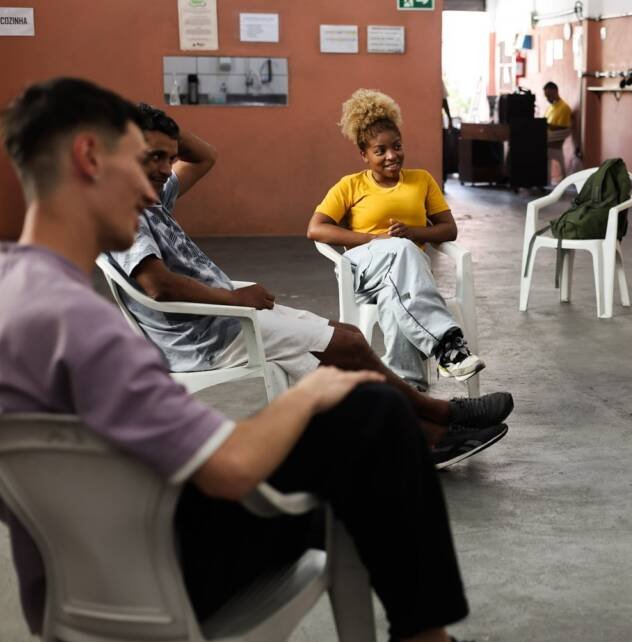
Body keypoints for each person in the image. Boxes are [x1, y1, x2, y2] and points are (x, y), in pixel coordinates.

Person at [0, 77, 505, 642]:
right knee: (374, 418)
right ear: (89, 159)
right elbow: (231, 468)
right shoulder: (85, 328)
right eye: (137, 165)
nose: (147, 190)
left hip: (74, 579)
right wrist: (315, 395)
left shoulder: (16, 294)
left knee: (370, 420)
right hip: (160, 575)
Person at [109, 103, 509, 469]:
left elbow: (205, 156)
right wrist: (233, 297)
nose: (166, 167)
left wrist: (161, 125)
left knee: (346, 337)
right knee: (348, 347)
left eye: (169, 156)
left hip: (225, 319)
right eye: (154, 157)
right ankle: (440, 416)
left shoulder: (153, 197)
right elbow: (157, 285)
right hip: (212, 332)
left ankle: (424, 435)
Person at [308, 89, 490, 394]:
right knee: (401, 255)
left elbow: (449, 229)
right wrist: (372, 239)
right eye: (380, 151)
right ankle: (448, 347)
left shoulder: (422, 180)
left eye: (397, 146)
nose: (392, 156)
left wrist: (413, 233)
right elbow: (316, 228)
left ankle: (409, 390)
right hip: (364, 269)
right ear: (364, 155)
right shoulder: (349, 185)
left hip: (407, 275)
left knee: (396, 297)